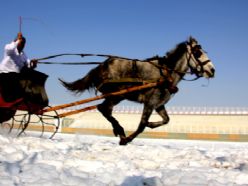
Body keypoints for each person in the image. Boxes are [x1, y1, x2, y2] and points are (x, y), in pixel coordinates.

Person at [0, 32, 38, 103]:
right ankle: (10, 98)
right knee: (14, 78)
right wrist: (18, 40)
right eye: (22, 42)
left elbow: (28, 64)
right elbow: (10, 48)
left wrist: (33, 64)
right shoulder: (10, 48)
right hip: (5, 73)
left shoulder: (23, 54)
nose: (23, 44)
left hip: (16, 75)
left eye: (24, 43)